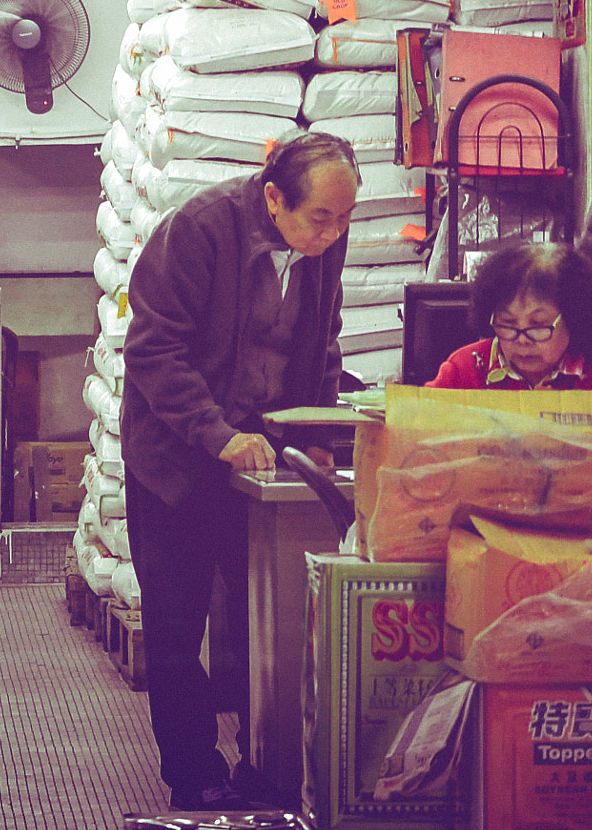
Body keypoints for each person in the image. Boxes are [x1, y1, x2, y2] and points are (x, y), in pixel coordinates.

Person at [121, 133, 358, 814]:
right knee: (176, 625)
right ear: (274, 196)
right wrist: (218, 435)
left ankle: (269, 763)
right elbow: (154, 352)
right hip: (175, 458)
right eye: (322, 218)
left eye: (345, 218)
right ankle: (193, 769)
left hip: (260, 461)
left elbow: (322, 337)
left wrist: (313, 430)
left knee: (272, 618)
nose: (334, 232)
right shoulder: (197, 232)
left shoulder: (324, 240)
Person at [433, 241, 592, 391]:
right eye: (508, 324)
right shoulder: (464, 370)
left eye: (538, 326)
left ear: (574, 320)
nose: (522, 340)